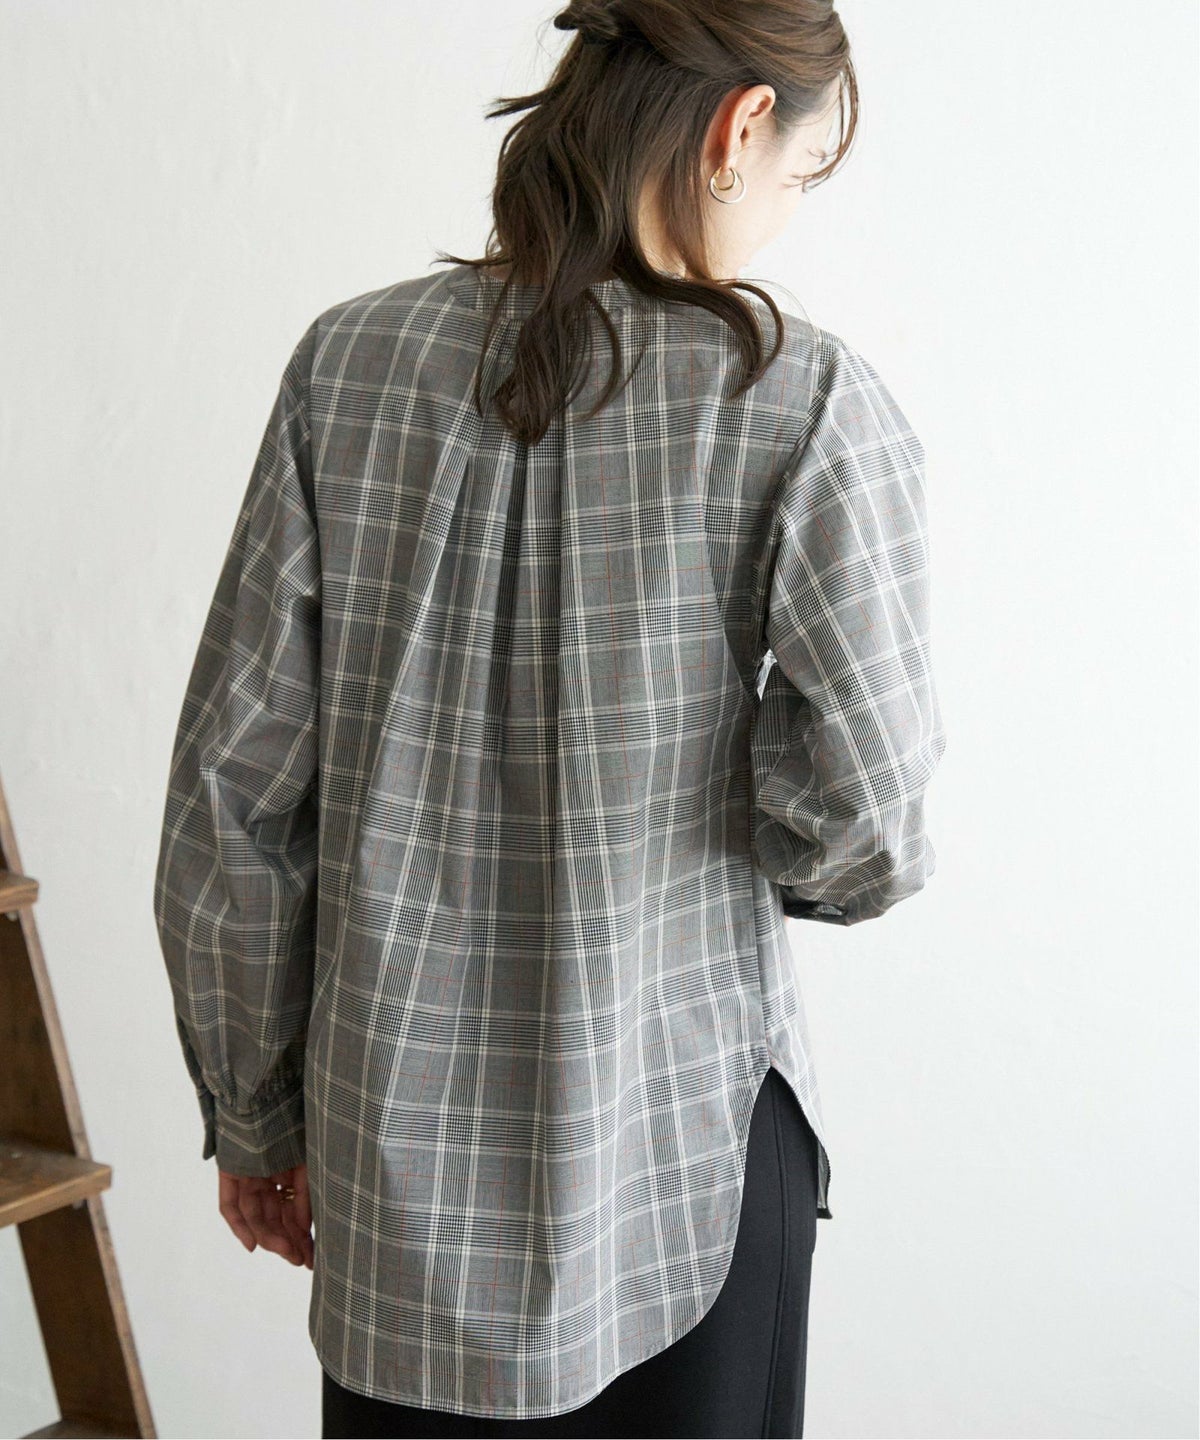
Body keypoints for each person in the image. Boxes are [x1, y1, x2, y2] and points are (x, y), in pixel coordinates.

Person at [152, 1, 947, 1436]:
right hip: (686, 1157)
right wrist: (736, 791)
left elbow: (233, 794)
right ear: (739, 128)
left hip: (393, 1176)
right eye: (797, 175)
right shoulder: (801, 399)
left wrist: (255, 1112)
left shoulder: (345, 367)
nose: (781, 215)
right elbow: (868, 826)